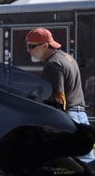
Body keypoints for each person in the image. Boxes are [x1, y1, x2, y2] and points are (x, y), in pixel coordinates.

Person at [27, 28, 94, 162]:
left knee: (76, 164)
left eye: (31, 46)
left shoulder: (53, 64)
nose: (28, 50)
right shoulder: (66, 57)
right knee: (84, 161)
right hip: (79, 114)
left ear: (45, 45)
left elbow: (59, 98)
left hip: (69, 116)